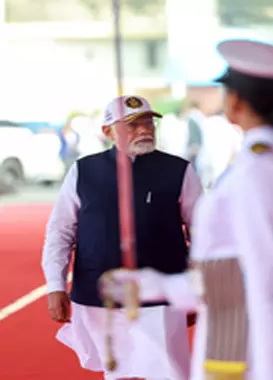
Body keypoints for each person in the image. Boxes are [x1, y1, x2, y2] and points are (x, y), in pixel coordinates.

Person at [99, 40, 273, 380]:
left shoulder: (259, 169)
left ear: (236, 101)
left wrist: (160, 286)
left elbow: (264, 274)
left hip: (247, 335)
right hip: (240, 324)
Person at [41, 95, 203, 380]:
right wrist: (55, 284)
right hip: (98, 294)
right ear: (108, 132)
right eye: (133, 124)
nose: (145, 129)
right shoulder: (82, 171)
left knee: (170, 372)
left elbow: (203, 234)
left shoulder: (179, 171)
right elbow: (60, 231)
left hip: (161, 296)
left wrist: (197, 290)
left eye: (148, 122)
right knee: (117, 373)